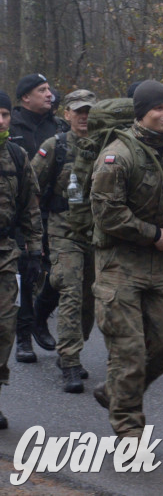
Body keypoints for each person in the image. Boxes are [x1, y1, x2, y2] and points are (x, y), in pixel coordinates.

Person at [90, 80, 163, 437]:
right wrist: (153, 234)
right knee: (129, 351)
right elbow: (107, 214)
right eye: (160, 109)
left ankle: (117, 392)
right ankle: (128, 429)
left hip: (162, 264)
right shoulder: (119, 155)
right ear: (142, 114)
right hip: (119, 264)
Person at [30, 89, 98, 392]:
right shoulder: (54, 147)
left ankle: (72, 348)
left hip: (96, 234)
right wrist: (32, 231)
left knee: (89, 296)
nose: (84, 117)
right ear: (67, 114)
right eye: (78, 111)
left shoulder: (107, 146)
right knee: (71, 289)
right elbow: (29, 189)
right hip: (63, 230)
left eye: (89, 111)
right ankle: (70, 361)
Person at [8, 74, 59, 364]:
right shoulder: (12, 127)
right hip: (22, 213)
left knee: (58, 271)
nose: (49, 94)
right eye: (42, 90)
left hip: (56, 212)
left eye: (49, 89)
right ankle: (24, 337)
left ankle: (41, 315)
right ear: (26, 97)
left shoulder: (57, 126)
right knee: (26, 273)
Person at [0, 90, 43, 427]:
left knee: (4, 326)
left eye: (3, 115)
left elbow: (30, 206)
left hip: (4, 252)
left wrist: (33, 251)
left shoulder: (16, 155)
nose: (0, 122)